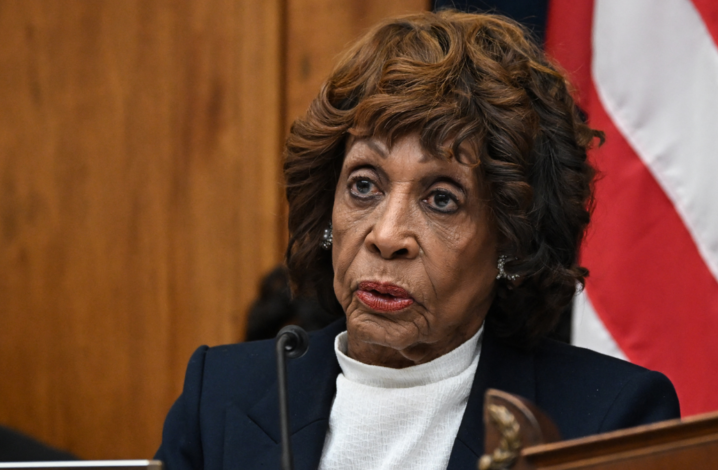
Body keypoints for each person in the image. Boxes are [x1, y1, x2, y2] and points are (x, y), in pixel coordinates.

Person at [155, 10, 679, 470]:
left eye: (442, 199)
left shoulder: (605, 417)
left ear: (512, 241)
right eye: (364, 186)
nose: (387, 236)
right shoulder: (220, 396)